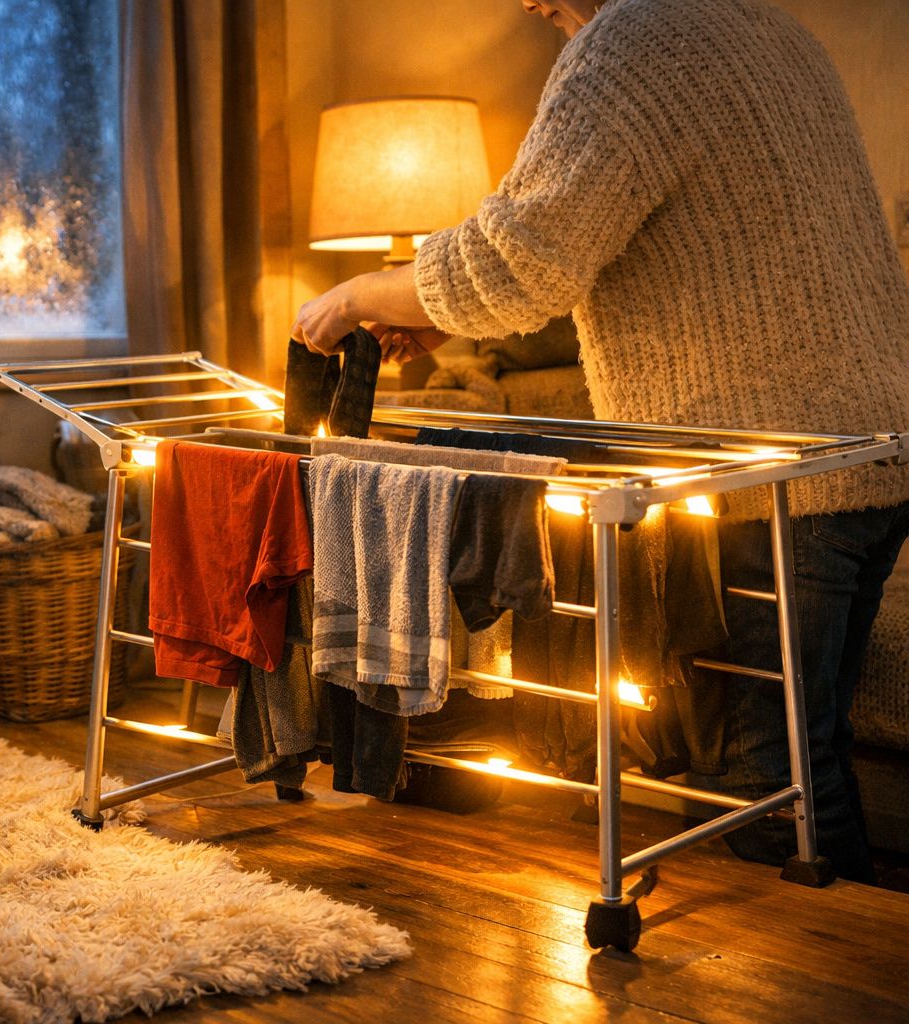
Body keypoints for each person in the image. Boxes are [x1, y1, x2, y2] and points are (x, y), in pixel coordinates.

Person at [292, 0, 909, 884]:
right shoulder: (768, 28)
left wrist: (358, 296)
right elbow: (642, 243)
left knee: (764, 788)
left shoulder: (636, 37)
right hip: (869, 454)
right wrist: (434, 319)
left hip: (779, 475)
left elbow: (516, 258)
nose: (531, 5)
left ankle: (848, 985)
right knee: (813, 758)